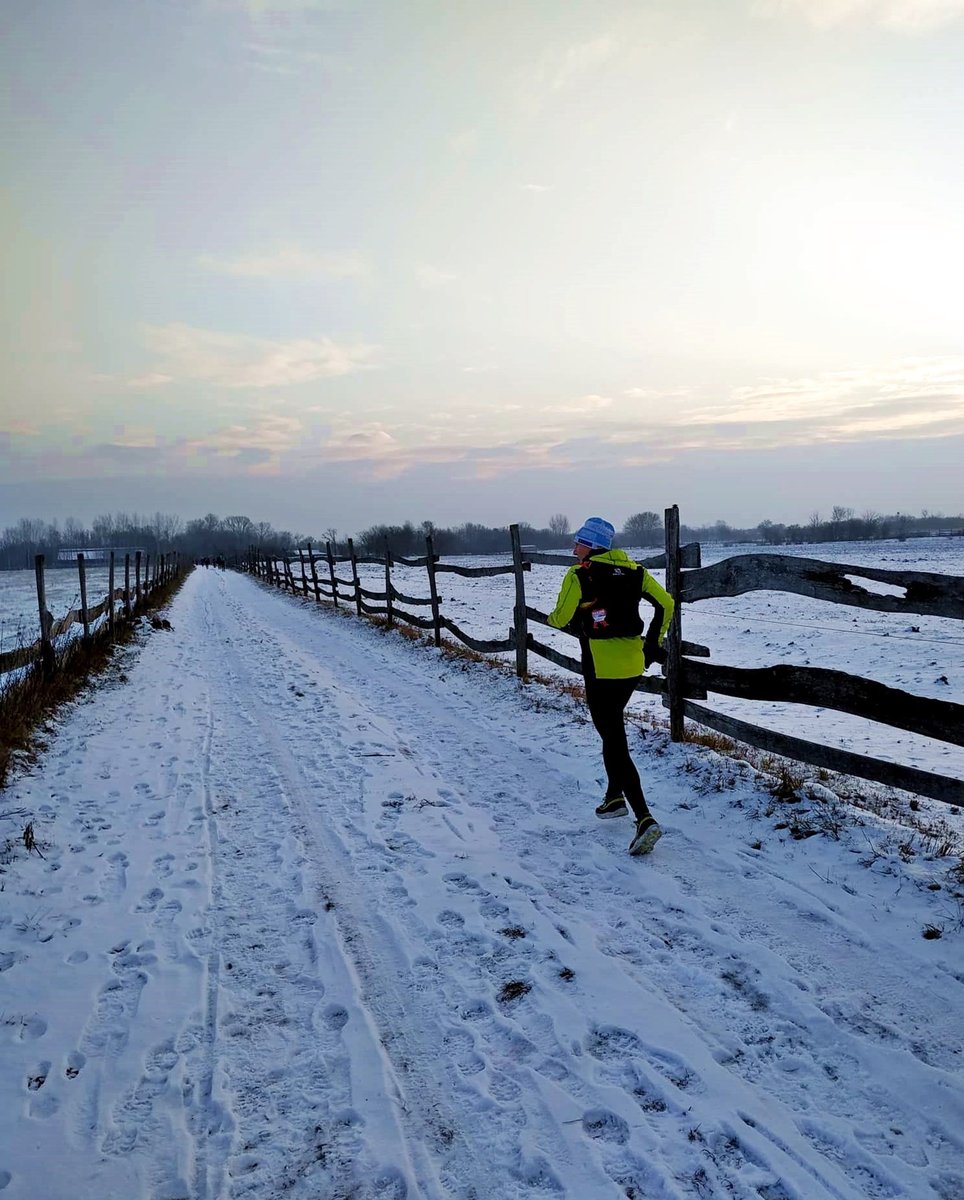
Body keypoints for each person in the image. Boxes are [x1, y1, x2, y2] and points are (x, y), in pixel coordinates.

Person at [548, 516, 675, 856]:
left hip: (599, 668)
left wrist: (561, 617)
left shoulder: (579, 574)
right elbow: (666, 604)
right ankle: (613, 797)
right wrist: (652, 645)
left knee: (614, 740)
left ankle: (644, 818)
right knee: (611, 730)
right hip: (633, 664)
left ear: (591, 545)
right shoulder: (637, 571)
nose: (574, 548)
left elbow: (559, 618)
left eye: (578, 542)